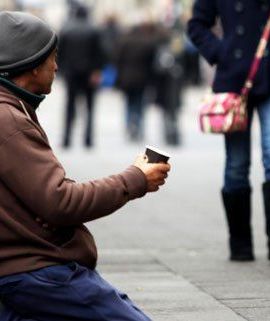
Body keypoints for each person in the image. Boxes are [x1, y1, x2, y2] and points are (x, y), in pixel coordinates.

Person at [0, 11, 170, 320]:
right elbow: (60, 201)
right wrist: (135, 179)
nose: (56, 66)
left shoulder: (14, 109)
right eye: (53, 57)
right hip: (37, 273)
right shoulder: (9, 120)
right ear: (33, 64)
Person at [188, 0, 270, 261]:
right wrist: (221, 52)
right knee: (236, 162)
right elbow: (197, 25)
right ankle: (240, 242)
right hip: (233, 81)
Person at [58, 5, 105, 148]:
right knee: (90, 108)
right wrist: (97, 71)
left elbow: (59, 54)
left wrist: (62, 71)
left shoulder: (66, 30)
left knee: (69, 106)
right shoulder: (94, 30)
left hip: (71, 74)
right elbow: (100, 54)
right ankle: (88, 139)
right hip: (89, 74)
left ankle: (67, 138)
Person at [115, 21, 165, 142]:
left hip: (126, 79)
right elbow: (152, 63)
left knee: (128, 103)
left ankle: (129, 126)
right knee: (140, 104)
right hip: (142, 79)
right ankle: (139, 127)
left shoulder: (124, 43)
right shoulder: (147, 43)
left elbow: (117, 60)